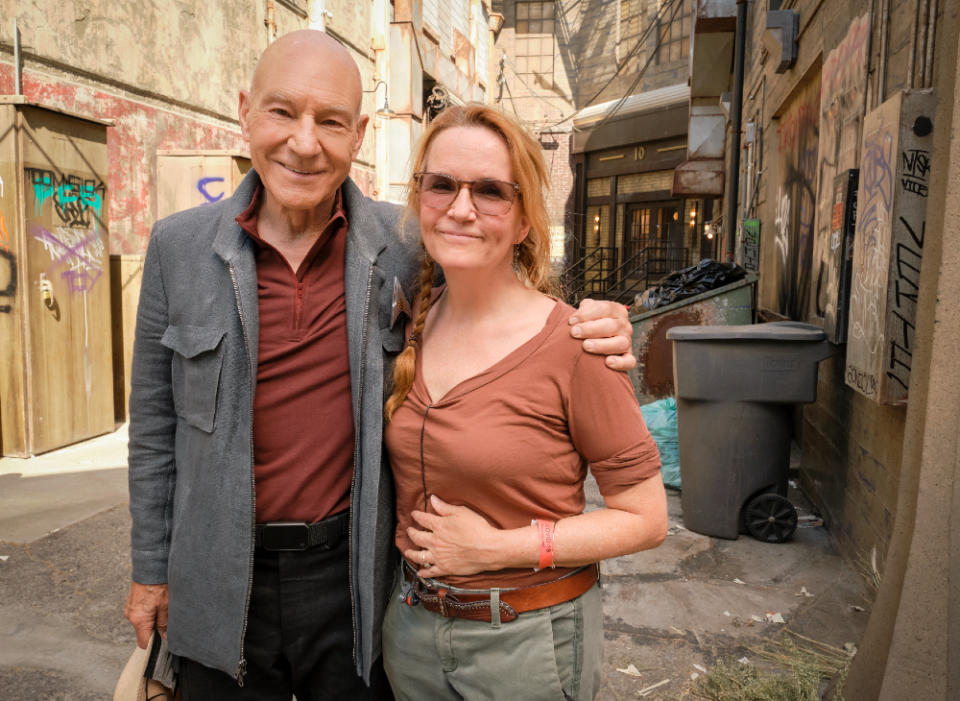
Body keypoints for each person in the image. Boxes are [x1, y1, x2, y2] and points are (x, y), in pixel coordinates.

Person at [123, 30, 637, 700]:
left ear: (359, 133)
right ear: (245, 109)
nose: (305, 143)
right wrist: (148, 572)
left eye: (330, 121)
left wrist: (592, 322)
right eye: (282, 112)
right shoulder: (177, 248)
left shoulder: (407, 245)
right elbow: (154, 432)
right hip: (218, 574)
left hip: (356, 579)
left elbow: (497, 294)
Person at [380, 104, 669, 701]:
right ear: (419, 200)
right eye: (442, 185)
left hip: (528, 647)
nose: (461, 208)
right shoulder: (407, 323)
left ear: (524, 221)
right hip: (412, 634)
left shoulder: (577, 346)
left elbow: (646, 520)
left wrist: (498, 548)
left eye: (490, 191)